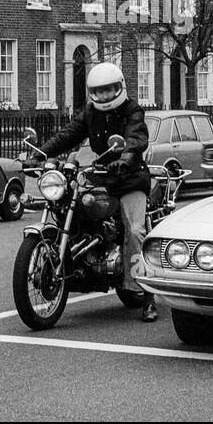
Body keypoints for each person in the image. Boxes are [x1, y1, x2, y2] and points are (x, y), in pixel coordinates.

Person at [36, 62, 157, 322]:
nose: (103, 96)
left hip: (129, 178)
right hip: (100, 176)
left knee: (135, 230)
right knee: (77, 207)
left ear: (119, 88)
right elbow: (69, 134)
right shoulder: (91, 112)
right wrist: (42, 152)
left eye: (108, 90)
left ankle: (146, 294)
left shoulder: (132, 109)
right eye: (98, 91)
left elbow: (136, 137)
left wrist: (125, 157)